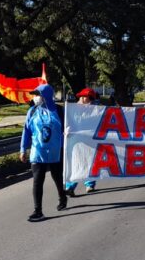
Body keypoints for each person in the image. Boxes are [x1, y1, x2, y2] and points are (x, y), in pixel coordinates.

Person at [20, 84, 66, 222]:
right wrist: (23, 149)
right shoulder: (32, 111)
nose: (35, 97)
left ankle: (62, 197)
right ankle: (38, 211)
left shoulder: (60, 110)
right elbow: (26, 131)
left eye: (37, 94)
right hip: (37, 151)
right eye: (34, 94)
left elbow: (69, 127)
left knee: (57, 177)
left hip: (56, 151)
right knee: (37, 181)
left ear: (46, 95)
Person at [64, 87, 100, 197]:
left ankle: (90, 184)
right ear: (83, 97)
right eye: (90, 98)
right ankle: (70, 187)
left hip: (90, 140)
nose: (90, 101)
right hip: (76, 140)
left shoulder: (94, 109)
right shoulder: (72, 109)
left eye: (92, 99)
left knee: (90, 161)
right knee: (76, 163)